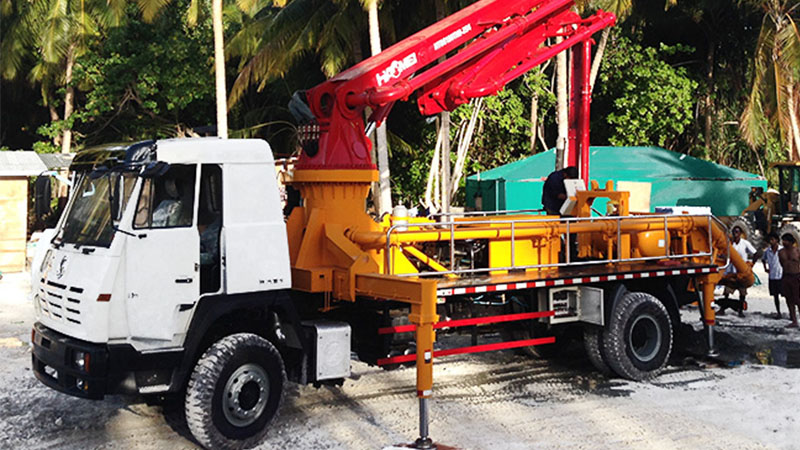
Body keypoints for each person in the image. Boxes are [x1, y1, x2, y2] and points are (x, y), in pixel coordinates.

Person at [720, 226, 756, 317]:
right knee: (727, 292)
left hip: (741, 272)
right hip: (731, 272)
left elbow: (755, 253)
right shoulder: (729, 244)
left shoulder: (745, 243)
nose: (735, 233)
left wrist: (751, 264)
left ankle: (741, 311)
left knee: (742, 293)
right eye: (734, 232)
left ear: (740, 233)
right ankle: (722, 309)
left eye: (737, 231)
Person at [779, 233, 800, 328]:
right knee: (789, 299)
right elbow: (782, 264)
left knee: (798, 299)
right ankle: (794, 320)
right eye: (783, 240)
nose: (784, 242)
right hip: (786, 276)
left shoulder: (797, 251)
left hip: (796, 276)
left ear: (791, 242)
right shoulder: (781, 252)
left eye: (786, 240)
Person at [762, 231, 784, 319]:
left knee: (786, 295)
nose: (771, 241)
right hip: (772, 276)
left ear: (777, 240)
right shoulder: (768, 251)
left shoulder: (782, 250)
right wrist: (765, 268)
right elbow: (763, 259)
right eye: (770, 240)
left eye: (773, 240)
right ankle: (778, 312)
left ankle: (791, 312)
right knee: (775, 296)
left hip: (781, 275)